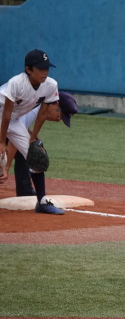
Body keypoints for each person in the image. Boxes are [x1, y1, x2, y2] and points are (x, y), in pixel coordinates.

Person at [0, 49, 64, 214]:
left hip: (13, 121)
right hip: (3, 115)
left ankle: (41, 202)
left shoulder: (50, 85)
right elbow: (6, 114)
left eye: (47, 68)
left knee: (36, 156)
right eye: (40, 68)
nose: (45, 72)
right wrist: (1, 142)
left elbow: (42, 113)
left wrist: (33, 137)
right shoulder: (16, 83)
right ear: (28, 69)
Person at [2, 91, 78, 197]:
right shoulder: (34, 108)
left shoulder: (38, 104)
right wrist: (6, 168)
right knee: (23, 148)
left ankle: (25, 192)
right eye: (60, 115)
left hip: (4, 125)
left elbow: (17, 122)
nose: (58, 120)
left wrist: (28, 132)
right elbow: (14, 141)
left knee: (28, 149)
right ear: (54, 104)